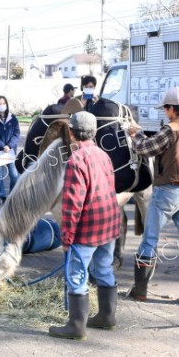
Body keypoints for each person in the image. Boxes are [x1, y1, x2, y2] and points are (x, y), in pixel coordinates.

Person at [128, 86, 179, 307]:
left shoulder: (170, 129)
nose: (164, 112)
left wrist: (136, 133)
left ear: (171, 108)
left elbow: (144, 148)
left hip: (167, 192)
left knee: (149, 240)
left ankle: (140, 291)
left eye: (165, 109)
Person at [48, 111, 120, 341]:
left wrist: (66, 239)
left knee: (77, 275)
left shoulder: (75, 161)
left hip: (87, 230)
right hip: (109, 225)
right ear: (95, 132)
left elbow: (72, 206)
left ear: (70, 133)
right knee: (104, 268)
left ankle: (76, 326)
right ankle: (107, 317)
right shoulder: (104, 155)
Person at [0, 95, 20, 204]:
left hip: (10, 151)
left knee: (14, 175)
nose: (2, 105)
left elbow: (16, 133)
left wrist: (9, 145)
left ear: (6, 104)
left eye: (3, 103)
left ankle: (11, 195)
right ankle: (2, 195)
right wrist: (2, 146)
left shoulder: (13, 118)